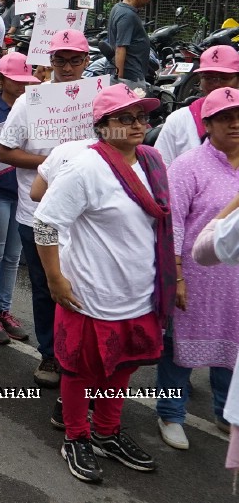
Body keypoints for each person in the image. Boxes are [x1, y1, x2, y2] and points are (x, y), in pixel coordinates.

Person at [33, 84, 170, 484]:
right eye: (125, 118)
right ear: (102, 126)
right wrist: (55, 280)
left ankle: (107, 432)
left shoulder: (153, 161)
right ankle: (76, 436)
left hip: (137, 292)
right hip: (91, 294)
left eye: (142, 117)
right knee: (79, 370)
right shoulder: (86, 168)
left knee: (122, 367)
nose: (137, 125)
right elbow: (45, 224)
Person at [0, 29, 92, 388]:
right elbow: (4, 151)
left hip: (86, 217)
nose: (67, 67)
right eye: (59, 59)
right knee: (44, 285)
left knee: (84, 284)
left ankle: (79, 353)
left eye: (75, 59)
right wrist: (51, 161)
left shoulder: (95, 100)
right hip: (36, 214)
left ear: (85, 61)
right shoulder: (29, 101)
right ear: (49, 61)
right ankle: (51, 353)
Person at [156, 86, 239, 449]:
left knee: (233, 345)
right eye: (225, 117)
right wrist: (177, 275)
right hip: (195, 273)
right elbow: (172, 222)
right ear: (207, 123)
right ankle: (171, 413)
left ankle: (226, 412)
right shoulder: (189, 166)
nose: (235, 124)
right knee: (178, 347)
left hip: (234, 278)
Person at [0, 52, 40, 345]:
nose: (22, 86)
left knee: (14, 256)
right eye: (16, 80)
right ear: (0, 80)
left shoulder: (35, 107)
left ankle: (4, 309)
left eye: (27, 81)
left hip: (25, 194)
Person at [156, 45, 239, 165]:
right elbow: (161, 171)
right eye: (209, 78)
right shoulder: (178, 120)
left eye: (224, 78)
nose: (216, 84)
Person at [108, 0, 161, 85]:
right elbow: (120, 48)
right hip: (130, 75)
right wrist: (120, 80)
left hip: (132, 72)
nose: (149, 0)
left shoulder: (119, 8)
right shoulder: (127, 15)